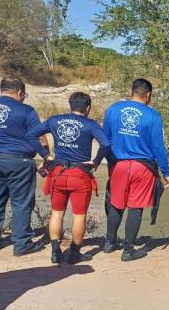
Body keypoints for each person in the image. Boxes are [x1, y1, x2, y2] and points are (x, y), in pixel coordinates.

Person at [28, 92, 110, 264]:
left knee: (57, 213)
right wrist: (95, 161)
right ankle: (74, 254)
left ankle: (56, 252)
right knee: (79, 215)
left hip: (58, 173)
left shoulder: (55, 120)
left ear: (70, 105)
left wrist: (45, 154)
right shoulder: (91, 124)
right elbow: (106, 144)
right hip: (80, 174)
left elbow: (30, 135)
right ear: (88, 108)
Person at [98, 78, 169, 262]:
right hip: (143, 167)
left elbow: (105, 140)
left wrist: (110, 163)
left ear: (132, 92)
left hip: (119, 164)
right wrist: (166, 171)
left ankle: (109, 243)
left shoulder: (114, 109)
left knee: (116, 203)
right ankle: (128, 250)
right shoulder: (153, 115)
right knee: (136, 207)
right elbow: (158, 147)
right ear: (148, 95)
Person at [0, 78, 48, 256]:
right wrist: (46, 157)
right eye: (23, 95)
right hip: (19, 161)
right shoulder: (26, 110)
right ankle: (22, 244)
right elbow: (40, 138)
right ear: (19, 93)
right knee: (21, 203)